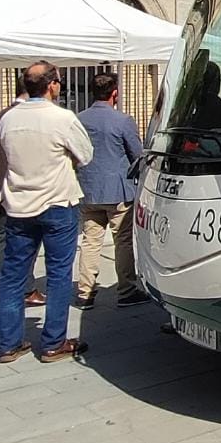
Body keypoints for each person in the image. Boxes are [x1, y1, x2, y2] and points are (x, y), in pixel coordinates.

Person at [0, 61, 93, 363]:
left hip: (20, 204)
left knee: (13, 275)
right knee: (59, 274)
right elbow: (86, 154)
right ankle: (52, 342)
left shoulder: (8, 118)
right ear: (52, 85)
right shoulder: (61, 117)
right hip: (57, 202)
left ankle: (7, 343)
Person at [74, 72, 147, 310]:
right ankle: (126, 289)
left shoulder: (79, 119)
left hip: (88, 188)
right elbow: (137, 155)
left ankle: (85, 292)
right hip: (118, 190)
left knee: (90, 241)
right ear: (114, 93)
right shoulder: (123, 120)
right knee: (122, 241)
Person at [0, 78, 46, 309]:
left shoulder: (2, 115)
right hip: (18, 185)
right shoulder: (22, 116)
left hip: (3, 183)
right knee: (18, 237)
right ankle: (21, 288)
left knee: (4, 236)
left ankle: (1, 287)